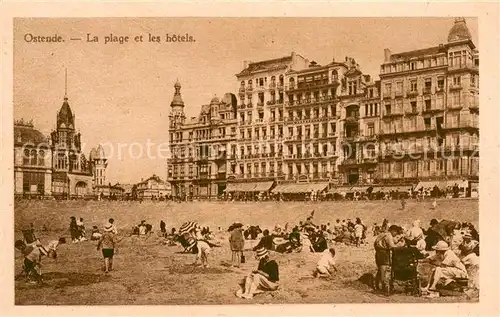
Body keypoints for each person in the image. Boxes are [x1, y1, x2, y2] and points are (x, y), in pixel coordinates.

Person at [373, 225, 405, 295]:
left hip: (379, 252)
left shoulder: (383, 234)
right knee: (383, 271)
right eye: (396, 232)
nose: (396, 234)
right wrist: (401, 246)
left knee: (380, 270)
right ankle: (384, 288)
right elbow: (391, 246)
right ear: (393, 231)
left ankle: (377, 286)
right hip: (383, 253)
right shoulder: (388, 235)